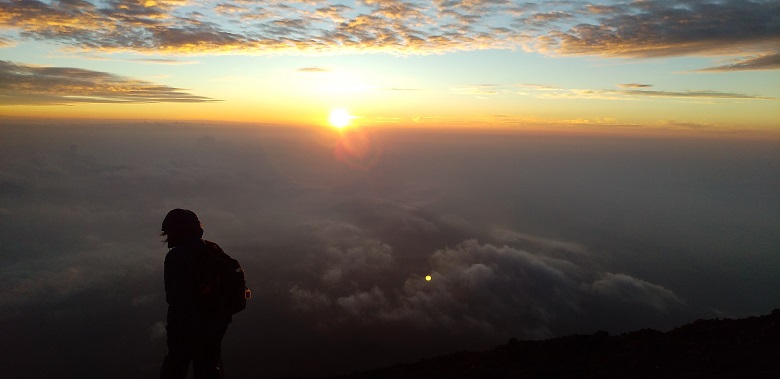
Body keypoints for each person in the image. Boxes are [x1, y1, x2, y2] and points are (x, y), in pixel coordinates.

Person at [160, 209, 232, 379]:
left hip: (187, 327)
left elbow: (176, 299)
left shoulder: (177, 256)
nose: (166, 237)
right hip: (216, 322)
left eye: (168, 232)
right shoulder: (211, 249)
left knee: (175, 368)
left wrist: (177, 328)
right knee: (208, 367)